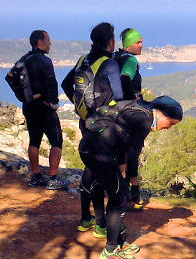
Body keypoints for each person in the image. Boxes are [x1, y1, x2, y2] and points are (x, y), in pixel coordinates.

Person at [78, 96, 182, 259]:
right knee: (120, 197)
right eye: (171, 123)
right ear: (162, 114)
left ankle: (117, 243)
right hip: (97, 151)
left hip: (93, 148)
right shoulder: (144, 119)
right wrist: (135, 186)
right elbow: (133, 155)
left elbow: (122, 143)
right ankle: (110, 251)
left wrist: (121, 170)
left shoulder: (138, 110)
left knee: (118, 193)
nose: (169, 128)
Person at [61, 22, 124, 233]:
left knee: (91, 167)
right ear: (110, 41)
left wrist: (79, 106)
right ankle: (100, 224)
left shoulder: (83, 59)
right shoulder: (110, 64)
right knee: (97, 170)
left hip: (85, 121)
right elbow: (120, 98)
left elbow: (65, 83)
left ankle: (87, 218)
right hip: (104, 126)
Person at [22, 30, 69, 190]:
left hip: (29, 106)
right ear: (40, 43)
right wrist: (53, 103)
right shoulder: (44, 60)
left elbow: (11, 79)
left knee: (34, 140)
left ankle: (35, 177)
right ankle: (53, 179)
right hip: (44, 107)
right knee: (56, 141)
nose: (50, 43)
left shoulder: (25, 59)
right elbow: (51, 83)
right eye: (48, 40)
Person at [114, 28, 146, 210]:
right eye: (138, 42)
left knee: (120, 153)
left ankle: (123, 192)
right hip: (129, 113)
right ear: (129, 45)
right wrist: (132, 100)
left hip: (115, 111)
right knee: (131, 152)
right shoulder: (130, 60)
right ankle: (132, 194)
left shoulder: (115, 59)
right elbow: (125, 78)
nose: (141, 46)